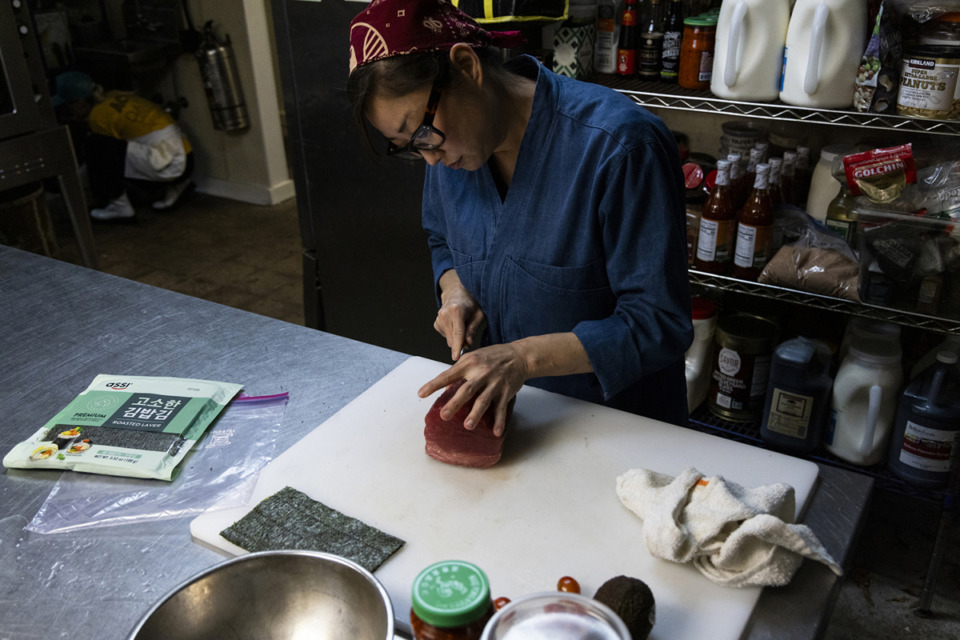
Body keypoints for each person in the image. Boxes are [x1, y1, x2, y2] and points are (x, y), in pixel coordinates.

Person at [347, 0, 693, 436]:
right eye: (409, 146)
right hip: (517, 421)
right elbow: (441, 239)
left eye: (421, 133)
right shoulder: (450, 152)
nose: (430, 158)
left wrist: (523, 358)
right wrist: (455, 291)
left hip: (620, 430)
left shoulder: (619, 146)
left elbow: (658, 322)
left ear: (467, 66)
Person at [51, 71, 195, 221]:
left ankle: (120, 207)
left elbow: (107, 162)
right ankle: (178, 185)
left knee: (95, 145)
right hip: (186, 159)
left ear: (80, 102)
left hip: (172, 167)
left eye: (68, 105)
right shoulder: (114, 96)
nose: (68, 110)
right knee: (118, 148)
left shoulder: (98, 117)